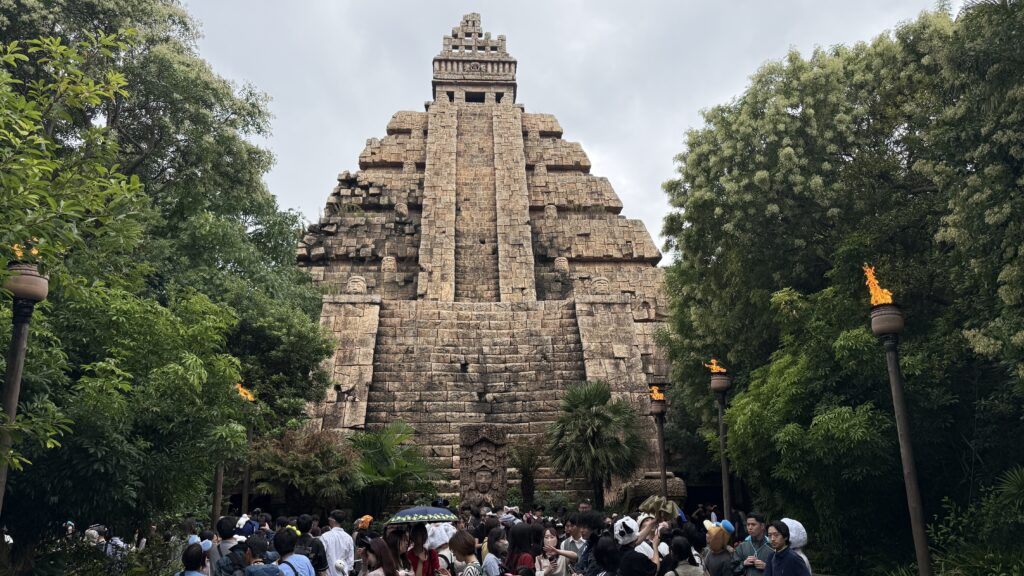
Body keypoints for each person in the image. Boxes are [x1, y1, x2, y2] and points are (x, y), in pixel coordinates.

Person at [321, 510, 355, 576]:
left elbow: (321, 558)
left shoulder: (325, 537)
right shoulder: (348, 538)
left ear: (333, 520)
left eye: (330, 517)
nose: (328, 519)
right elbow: (350, 561)